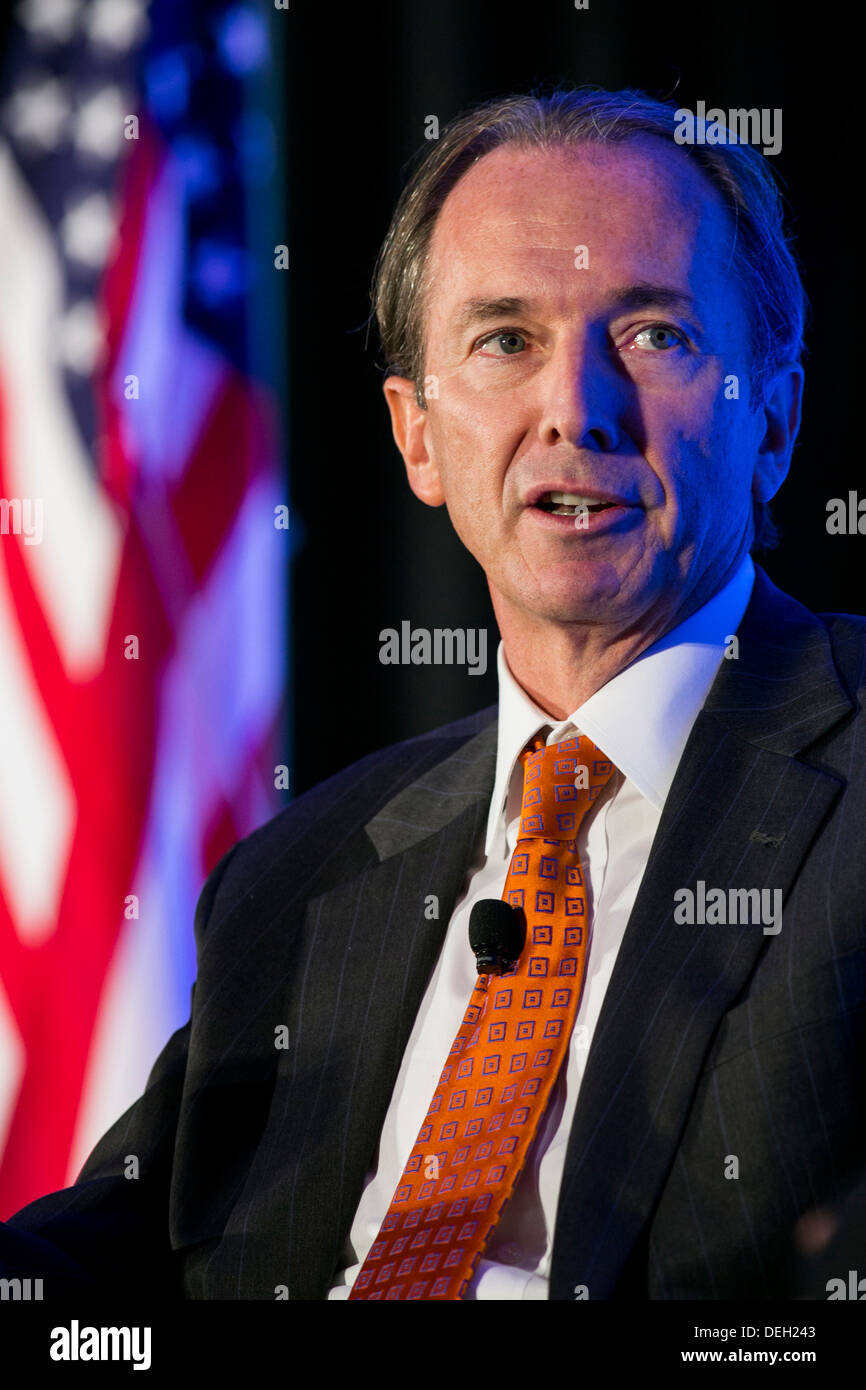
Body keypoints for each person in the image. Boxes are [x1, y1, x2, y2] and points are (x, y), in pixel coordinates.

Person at [2, 86, 864, 1301]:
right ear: (416, 436)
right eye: (505, 339)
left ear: (771, 417)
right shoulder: (298, 874)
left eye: (652, 334)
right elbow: (115, 1252)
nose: (577, 409)